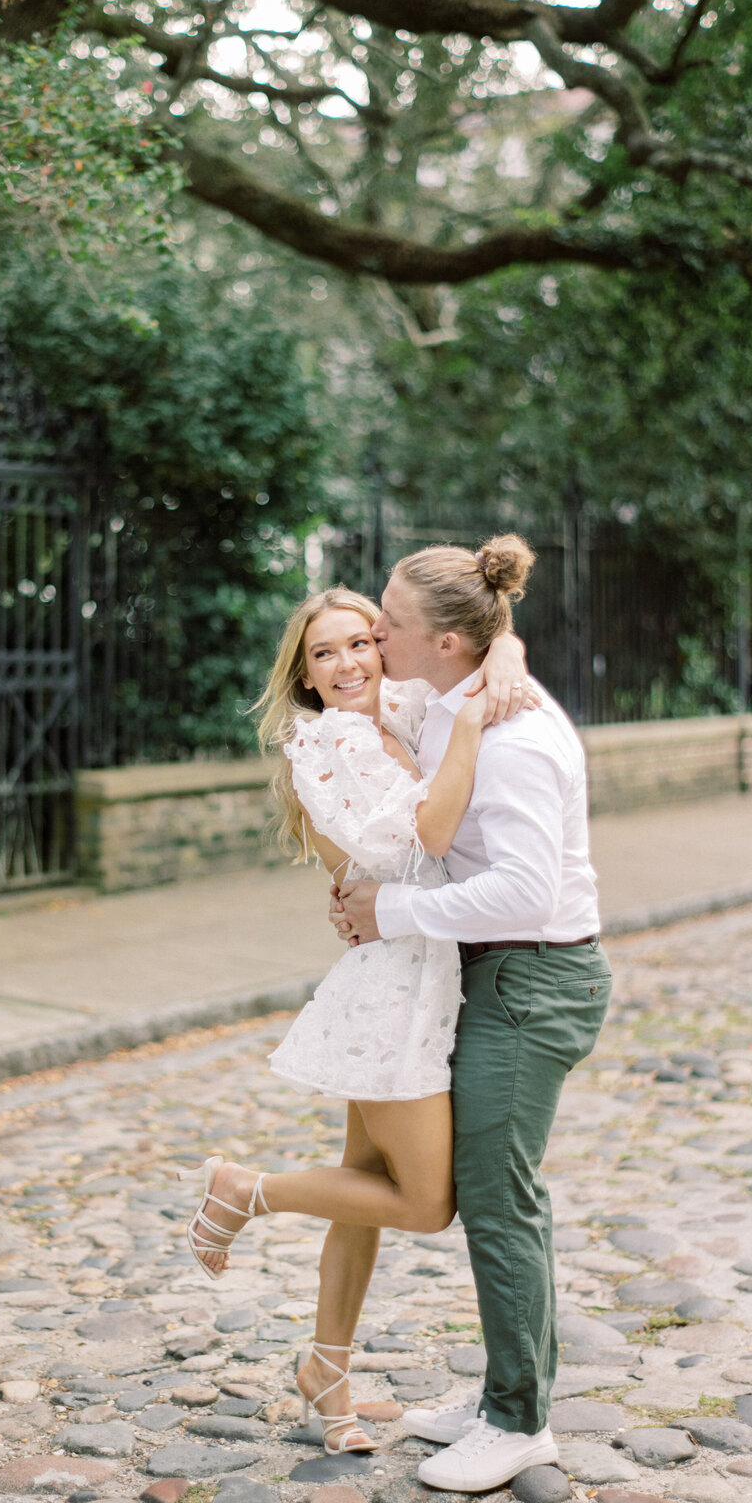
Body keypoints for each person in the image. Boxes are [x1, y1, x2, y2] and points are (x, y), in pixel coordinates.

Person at [177, 582, 532, 1457]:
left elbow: (483, 650)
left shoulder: (399, 708)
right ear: (304, 676)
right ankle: (245, 1191)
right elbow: (434, 833)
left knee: (362, 1194)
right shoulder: (327, 748)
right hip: (391, 995)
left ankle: (327, 1372)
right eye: (323, 654)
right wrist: (478, 729)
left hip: (421, 974)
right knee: (423, 1202)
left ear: (382, 647)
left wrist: (507, 654)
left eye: (359, 644)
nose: (345, 665)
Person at [332, 536, 612, 1493]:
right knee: (497, 1197)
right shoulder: (454, 699)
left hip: (533, 981)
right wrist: (507, 646)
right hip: (492, 978)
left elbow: (525, 895)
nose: (373, 630)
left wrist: (389, 911)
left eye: (393, 621)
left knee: (498, 1201)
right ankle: (504, 1390)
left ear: (447, 642)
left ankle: (519, 1421)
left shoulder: (518, 739)